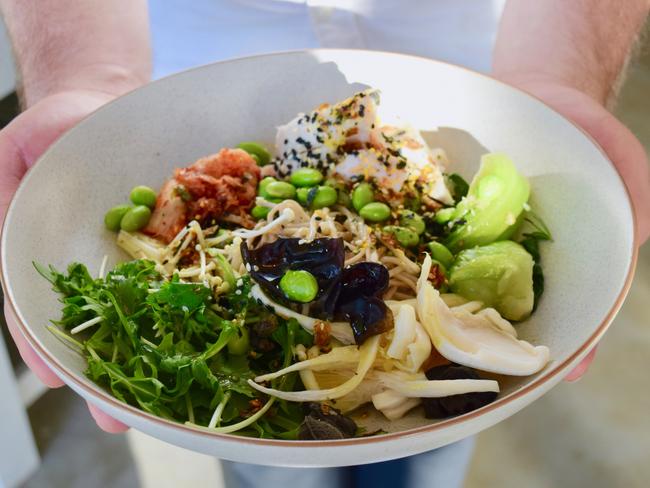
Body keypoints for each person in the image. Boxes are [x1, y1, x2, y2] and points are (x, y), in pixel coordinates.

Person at [1, 1, 649, 487]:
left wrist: (557, 82)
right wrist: (85, 82)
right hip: (172, 89)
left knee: (431, 439)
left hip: (479, 79)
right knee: (271, 459)